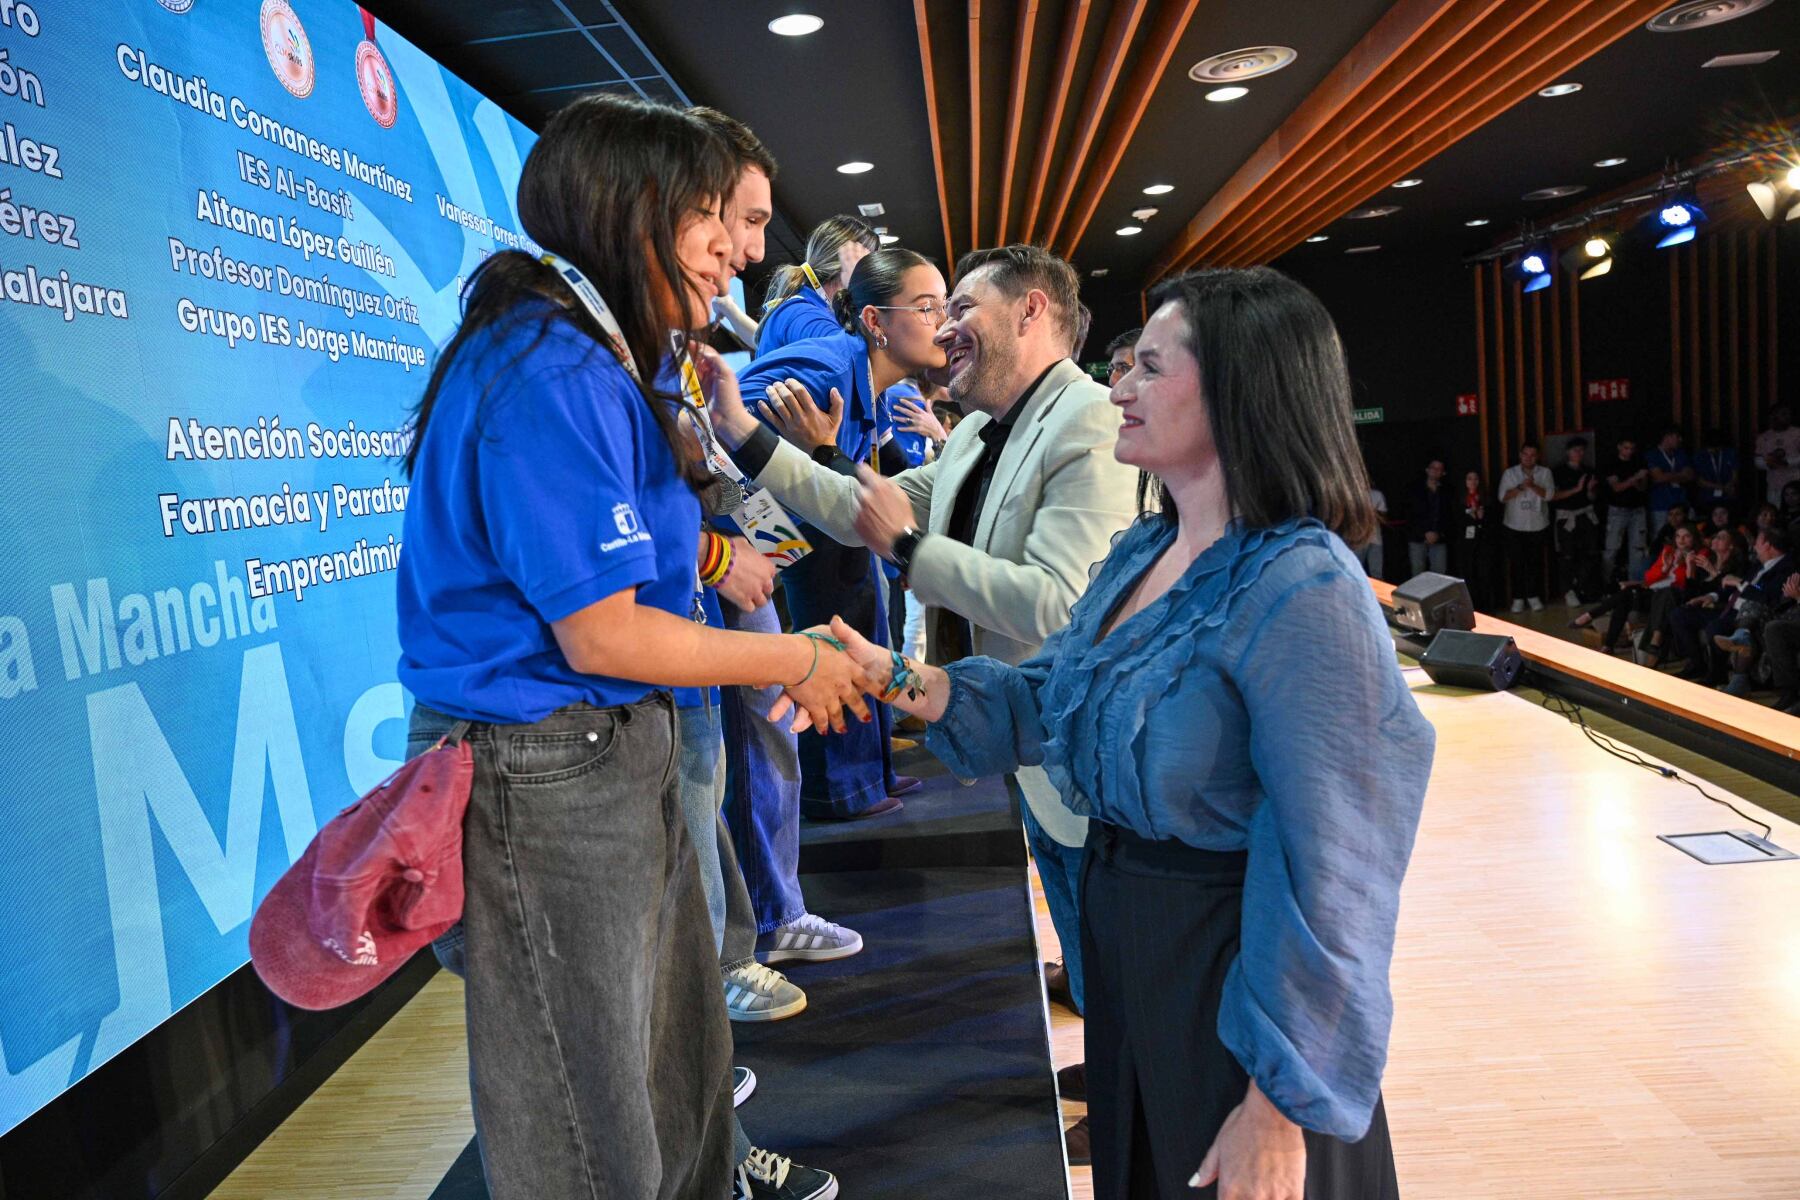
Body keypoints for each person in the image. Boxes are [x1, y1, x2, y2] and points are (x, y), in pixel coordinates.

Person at [813, 266, 1431, 1199]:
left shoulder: (1306, 587)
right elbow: (1053, 702)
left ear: (1237, 390)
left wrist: (1278, 1101)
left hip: (1232, 988)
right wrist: (898, 677)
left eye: (1147, 368)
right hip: (1136, 969)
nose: (1118, 390)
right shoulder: (1145, 550)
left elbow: (1337, 871)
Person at [393, 95, 869, 1200]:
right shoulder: (547, 371)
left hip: (611, 754)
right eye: (715, 217)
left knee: (677, 1069)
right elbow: (604, 629)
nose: (737, 256)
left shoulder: (598, 361)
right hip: (547, 774)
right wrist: (796, 662)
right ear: (633, 212)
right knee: (586, 1112)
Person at [736, 249, 949, 828]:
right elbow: (712, 433)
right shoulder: (825, 373)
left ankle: (861, 777)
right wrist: (753, 548)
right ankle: (838, 790)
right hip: (727, 561)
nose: (946, 323)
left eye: (947, 307)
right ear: (875, 322)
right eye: (929, 308)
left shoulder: (868, 381)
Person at [1569, 525, 1702, 656]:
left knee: (1626, 595)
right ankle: (1607, 645)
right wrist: (1665, 568)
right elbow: (1648, 577)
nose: (1681, 540)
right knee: (1623, 600)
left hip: (1668, 598)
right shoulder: (1668, 551)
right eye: (1678, 536)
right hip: (1650, 591)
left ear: (1694, 539)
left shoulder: (1699, 556)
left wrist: (1682, 565)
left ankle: (1592, 618)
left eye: (1686, 536)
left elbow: (1683, 586)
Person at [756, 215, 880, 354]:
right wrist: (857, 291)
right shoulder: (802, 313)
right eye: (868, 266)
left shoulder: (814, 309)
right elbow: (853, 360)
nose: (872, 278)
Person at [1498, 442, 1554, 611]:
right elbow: (1502, 497)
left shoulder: (1545, 473)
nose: (1528, 458)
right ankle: (1517, 598)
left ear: (1537, 457)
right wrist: (1521, 487)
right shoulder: (1510, 473)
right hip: (1514, 525)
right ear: (1520, 455)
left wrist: (1533, 486)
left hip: (1537, 525)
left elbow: (1550, 495)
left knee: (1534, 563)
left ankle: (1533, 596)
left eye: (1532, 455)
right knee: (1517, 563)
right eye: (1525, 454)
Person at [1550, 438, 1601, 606]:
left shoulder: (1588, 471)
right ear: (1568, 452)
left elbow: (1591, 498)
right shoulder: (1558, 472)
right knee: (1567, 555)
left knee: (1589, 553)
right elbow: (1553, 496)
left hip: (1585, 515)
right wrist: (1577, 489)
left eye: (1581, 450)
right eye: (1575, 450)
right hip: (1566, 517)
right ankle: (1568, 590)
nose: (1578, 454)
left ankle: (1584, 587)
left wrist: (1589, 490)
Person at [1602, 435, 1650, 583]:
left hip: (1637, 510)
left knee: (1637, 549)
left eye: (1631, 448)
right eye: (1626, 448)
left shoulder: (1638, 461)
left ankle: (1634, 583)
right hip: (1618, 510)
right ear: (1619, 447)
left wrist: (1633, 481)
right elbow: (1617, 487)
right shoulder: (1612, 463)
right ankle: (1605, 583)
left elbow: (1643, 487)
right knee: (1612, 549)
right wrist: (1635, 478)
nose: (1629, 451)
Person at [1452, 469, 1499, 611]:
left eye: (1476, 479)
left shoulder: (1486, 499)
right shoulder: (1459, 500)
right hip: (1465, 546)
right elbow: (1455, 522)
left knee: (1484, 577)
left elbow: (1493, 523)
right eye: (1469, 479)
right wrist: (1469, 517)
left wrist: (1481, 518)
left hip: (1483, 544)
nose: (1473, 482)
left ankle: (1487, 610)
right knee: (1468, 577)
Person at [1404, 457, 1452, 577]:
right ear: (1427, 470)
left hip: (1439, 538)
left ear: (1443, 472)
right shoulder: (1415, 490)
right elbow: (1410, 513)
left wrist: (1438, 533)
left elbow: (1449, 515)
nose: (1435, 471)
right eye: (1433, 468)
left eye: (1439, 469)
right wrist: (1424, 532)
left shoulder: (1447, 492)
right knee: (1417, 574)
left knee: (1440, 576)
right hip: (1417, 537)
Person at [1647, 425, 1694, 536]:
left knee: (1687, 535)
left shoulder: (1681, 454)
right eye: (1677, 436)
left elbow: (1690, 476)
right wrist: (1680, 475)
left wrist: (1666, 475)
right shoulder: (1653, 454)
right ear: (1667, 437)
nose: (1680, 440)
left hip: (1681, 502)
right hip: (1660, 505)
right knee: (1660, 538)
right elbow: (1658, 477)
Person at [1754, 403, 1798, 506]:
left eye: (1788, 414)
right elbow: (1757, 461)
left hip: (1795, 483)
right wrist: (1769, 464)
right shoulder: (1764, 437)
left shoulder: (1797, 434)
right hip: (1774, 485)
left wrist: (1787, 462)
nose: (1787, 417)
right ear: (1773, 416)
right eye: (1783, 414)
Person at [1694, 428, 1738, 512]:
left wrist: (1730, 484)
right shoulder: (1700, 456)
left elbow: (1735, 475)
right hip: (1707, 497)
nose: (1712, 450)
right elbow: (1699, 481)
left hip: (1728, 496)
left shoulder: (1730, 453)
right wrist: (1720, 487)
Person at [1357, 486, 1388, 580]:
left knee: (1377, 573)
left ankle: (1377, 594)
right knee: (1357, 570)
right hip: (1356, 539)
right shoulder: (1352, 494)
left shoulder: (1377, 494)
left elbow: (1384, 516)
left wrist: (1374, 513)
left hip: (1375, 538)